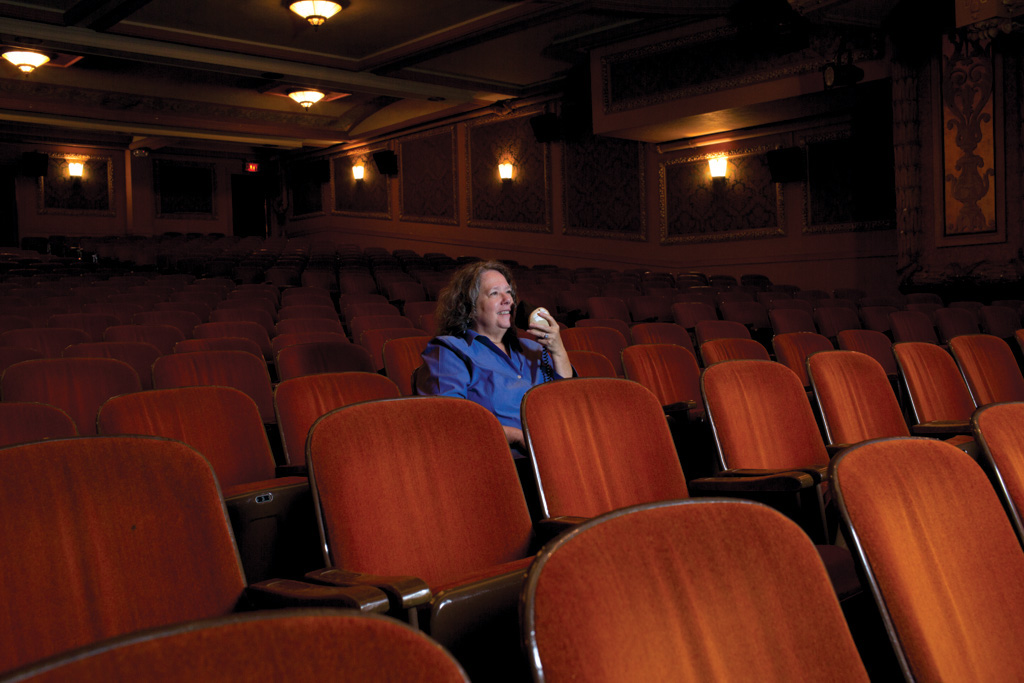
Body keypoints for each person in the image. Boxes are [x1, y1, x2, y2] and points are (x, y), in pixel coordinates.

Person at [415, 260, 572, 456]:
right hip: (500, 461)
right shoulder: (450, 351)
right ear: (469, 307)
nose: (508, 300)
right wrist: (517, 436)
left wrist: (557, 350)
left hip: (555, 453)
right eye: (495, 293)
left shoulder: (533, 349)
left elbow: (565, 400)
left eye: (509, 292)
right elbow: (449, 421)